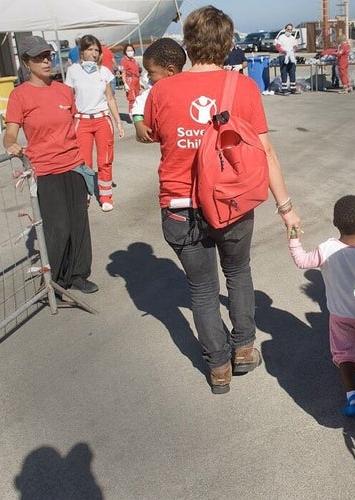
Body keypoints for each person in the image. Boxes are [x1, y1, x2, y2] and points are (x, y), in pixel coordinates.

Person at [144, 6, 301, 394]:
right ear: (228, 43)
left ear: (188, 43)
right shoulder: (243, 88)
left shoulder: (161, 90)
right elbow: (266, 153)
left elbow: (149, 134)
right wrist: (285, 207)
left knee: (200, 288)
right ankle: (244, 347)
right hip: (231, 203)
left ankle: (218, 368)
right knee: (238, 272)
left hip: (180, 205)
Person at [3, 36, 98, 294]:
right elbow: (10, 133)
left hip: (74, 166)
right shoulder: (19, 96)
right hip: (45, 170)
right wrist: (10, 143)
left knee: (79, 224)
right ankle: (55, 281)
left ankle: (79, 274)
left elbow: (76, 128)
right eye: (38, 57)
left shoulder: (64, 91)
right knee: (59, 227)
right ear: (25, 62)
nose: (45, 60)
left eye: (48, 55)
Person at [288, 195, 355, 416]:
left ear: (335, 223)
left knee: (343, 354)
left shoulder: (326, 249)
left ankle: (353, 398)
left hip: (340, 316)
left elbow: (301, 260)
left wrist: (293, 235)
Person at [65, 34, 125, 212]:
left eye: (96, 50)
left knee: (105, 160)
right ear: (81, 51)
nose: (93, 53)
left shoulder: (104, 71)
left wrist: (118, 122)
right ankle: (85, 194)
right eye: (90, 49)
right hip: (81, 121)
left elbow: (110, 99)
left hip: (102, 120)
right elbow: (69, 98)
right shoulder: (73, 71)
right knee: (83, 162)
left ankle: (106, 196)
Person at [132, 38, 187, 143]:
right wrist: (139, 125)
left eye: (151, 72)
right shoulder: (153, 90)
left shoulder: (189, 86)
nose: (148, 77)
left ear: (170, 71)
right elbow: (137, 107)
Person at [274, 23, 298, 95]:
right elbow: (277, 47)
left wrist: (292, 50)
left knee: (292, 72)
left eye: (291, 30)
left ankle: (293, 88)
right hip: (283, 56)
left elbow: (295, 46)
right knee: (284, 72)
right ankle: (284, 89)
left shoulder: (292, 38)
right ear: (285, 29)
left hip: (291, 56)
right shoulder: (281, 37)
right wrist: (284, 52)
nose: (289, 31)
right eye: (288, 29)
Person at [120, 44, 142, 114]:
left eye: (131, 50)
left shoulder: (134, 60)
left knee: (138, 98)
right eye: (128, 50)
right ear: (125, 52)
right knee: (132, 99)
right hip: (130, 80)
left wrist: (140, 81)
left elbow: (137, 71)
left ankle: (137, 112)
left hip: (136, 80)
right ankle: (131, 114)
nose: (130, 52)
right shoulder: (124, 60)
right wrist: (125, 83)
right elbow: (123, 72)